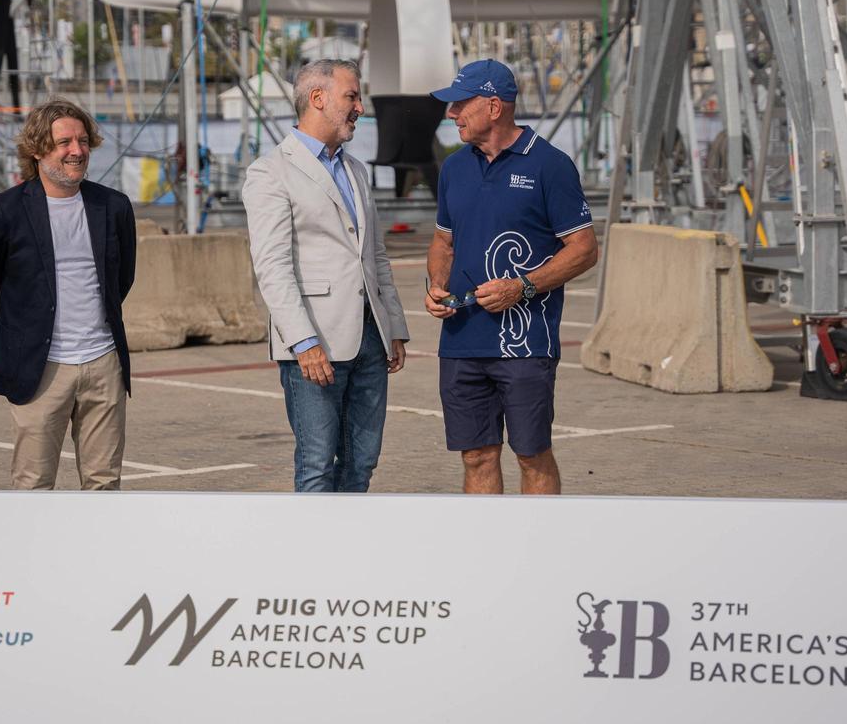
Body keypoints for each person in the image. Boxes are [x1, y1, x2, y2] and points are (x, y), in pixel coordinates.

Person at [425, 60, 598, 495]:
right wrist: (435, 285)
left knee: (531, 454)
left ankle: (538, 552)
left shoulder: (550, 165)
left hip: (525, 344)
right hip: (462, 342)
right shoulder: (454, 168)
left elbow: (584, 249)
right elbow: (443, 242)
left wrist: (522, 287)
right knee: (476, 455)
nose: (451, 114)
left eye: (460, 104)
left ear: (494, 106)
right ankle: (484, 555)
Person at [242, 59, 410, 493]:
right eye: (352, 96)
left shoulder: (356, 170)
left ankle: (347, 554)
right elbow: (272, 267)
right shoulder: (270, 172)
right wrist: (303, 342)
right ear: (318, 98)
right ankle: (312, 557)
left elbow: (374, 255)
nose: (360, 107)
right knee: (317, 463)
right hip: (315, 343)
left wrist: (394, 324)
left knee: (362, 461)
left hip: (370, 338)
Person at [0, 99, 136, 490]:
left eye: (83, 140)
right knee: (34, 484)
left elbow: (121, 279)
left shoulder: (113, 206)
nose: (77, 151)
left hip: (103, 362)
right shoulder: (5, 212)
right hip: (40, 369)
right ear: (37, 149)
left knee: (105, 484)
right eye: (64, 143)